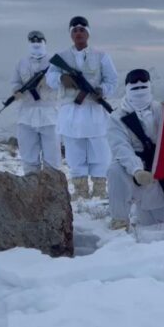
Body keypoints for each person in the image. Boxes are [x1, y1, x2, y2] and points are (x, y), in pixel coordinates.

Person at [46, 16, 118, 200]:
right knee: (74, 151)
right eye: (75, 30)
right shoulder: (61, 57)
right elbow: (50, 77)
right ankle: (80, 191)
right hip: (71, 111)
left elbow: (112, 80)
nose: (78, 33)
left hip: (94, 111)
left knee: (100, 152)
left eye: (82, 30)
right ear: (71, 34)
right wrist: (62, 79)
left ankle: (100, 191)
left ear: (88, 33)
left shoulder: (102, 56)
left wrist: (102, 90)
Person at [107, 69, 164, 230]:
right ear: (127, 89)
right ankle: (119, 220)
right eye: (135, 88)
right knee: (115, 170)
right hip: (131, 169)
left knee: (154, 224)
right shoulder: (117, 117)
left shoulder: (162, 110)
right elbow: (121, 147)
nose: (139, 91)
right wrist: (136, 170)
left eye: (143, 87)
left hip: (157, 169)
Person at [10, 30, 61, 175]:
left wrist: (49, 82)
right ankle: (32, 189)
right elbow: (14, 82)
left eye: (39, 40)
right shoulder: (21, 63)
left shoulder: (54, 62)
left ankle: (53, 190)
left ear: (45, 42)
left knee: (52, 159)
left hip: (49, 114)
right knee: (29, 157)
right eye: (32, 41)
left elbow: (62, 83)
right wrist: (17, 91)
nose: (36, 43)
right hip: (26, 115)